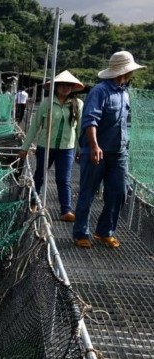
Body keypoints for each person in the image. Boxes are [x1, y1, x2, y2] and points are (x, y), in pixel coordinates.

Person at [72, 50, 144, 249]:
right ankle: (81, 233)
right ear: (125, 71)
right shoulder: (100, 91)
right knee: (88, 192)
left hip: (119, 152)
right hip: (97, 152)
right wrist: (94, 146)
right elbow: (90, 121)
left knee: (119, 191)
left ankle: (104, 231)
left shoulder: (124, 92)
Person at [18, 70, 84, 222]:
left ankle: (66, 210)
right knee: (39, 175)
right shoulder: (47, 103)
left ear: (72, 87)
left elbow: (80, 128)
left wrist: (81, 149)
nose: (65, 88)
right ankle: (34, 201)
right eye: (62, 85)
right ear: (57, 86)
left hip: (67, 148)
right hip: (45, 146)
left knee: (64, 179)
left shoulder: (78, 104)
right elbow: (35, 126)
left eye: (68, 85)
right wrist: (25, 147)